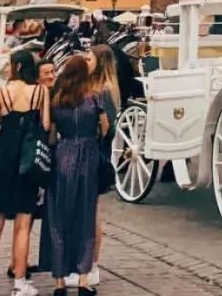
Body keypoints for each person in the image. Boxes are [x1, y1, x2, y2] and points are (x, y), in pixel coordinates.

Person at [0, 48, 51, 296]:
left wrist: (5, 132)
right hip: (27, 159)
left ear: (17, 67)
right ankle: (20, 283)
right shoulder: (41, 92)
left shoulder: (3, 92)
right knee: (23, 224)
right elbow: (45, 125)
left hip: (4, 157)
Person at [39, 54, 108, 294]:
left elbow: (51, 134)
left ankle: (59, 281)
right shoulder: (94, 99)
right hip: (88, 157)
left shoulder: (57, 100)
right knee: (85, 218)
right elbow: (105, 127)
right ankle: (82, 279)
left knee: (59, 220)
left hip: (63, 155)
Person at [83, 46, 120, 289]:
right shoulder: (101, 89)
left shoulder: (105, 91)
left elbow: (106, 129)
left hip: (95, 153)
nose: (86, 61)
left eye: (89, 58)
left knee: (93, 213)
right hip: (92, 152)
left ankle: (92, 264)